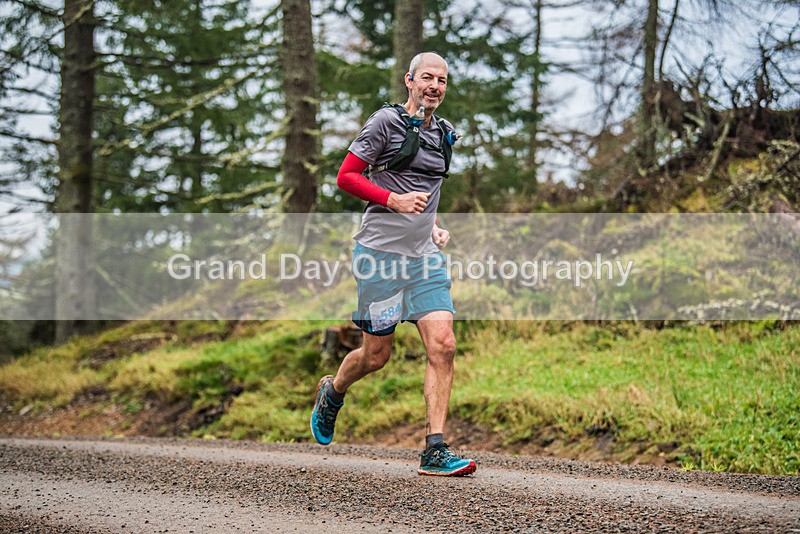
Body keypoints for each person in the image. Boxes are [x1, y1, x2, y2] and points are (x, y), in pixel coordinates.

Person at [310, 52, 476, 477]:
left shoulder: (444, 134)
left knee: (444, 344)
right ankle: (333, 390)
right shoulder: (386, 123)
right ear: (410, 81)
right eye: (427, 78)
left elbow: (425, 189)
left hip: (423, 258)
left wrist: (433, 226)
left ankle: (434, 450)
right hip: (379, 257)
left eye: (442, 80)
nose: (434, 86)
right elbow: (346, 176)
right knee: (376, 355)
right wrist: (392, 201)